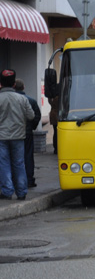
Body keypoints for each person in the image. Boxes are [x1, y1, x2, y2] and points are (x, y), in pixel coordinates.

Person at [0, 69, 36, 200]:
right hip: (19, 136)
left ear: (1, 84)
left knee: (3, 164)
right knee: (19, 164)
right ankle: (21, 192)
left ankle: (7, 191)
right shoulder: (22, 99)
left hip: (2, 137)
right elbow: (31, 115)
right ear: (14, 84)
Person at [14, 79, 41, 187]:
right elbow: (36, 116)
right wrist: (32, 127)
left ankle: (15, 180)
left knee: (14, 157)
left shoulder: (11, 99)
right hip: (27, 132)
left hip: (13, 133)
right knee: (28, 156)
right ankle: (29, 179)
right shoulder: (31, 100)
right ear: (23, 87)